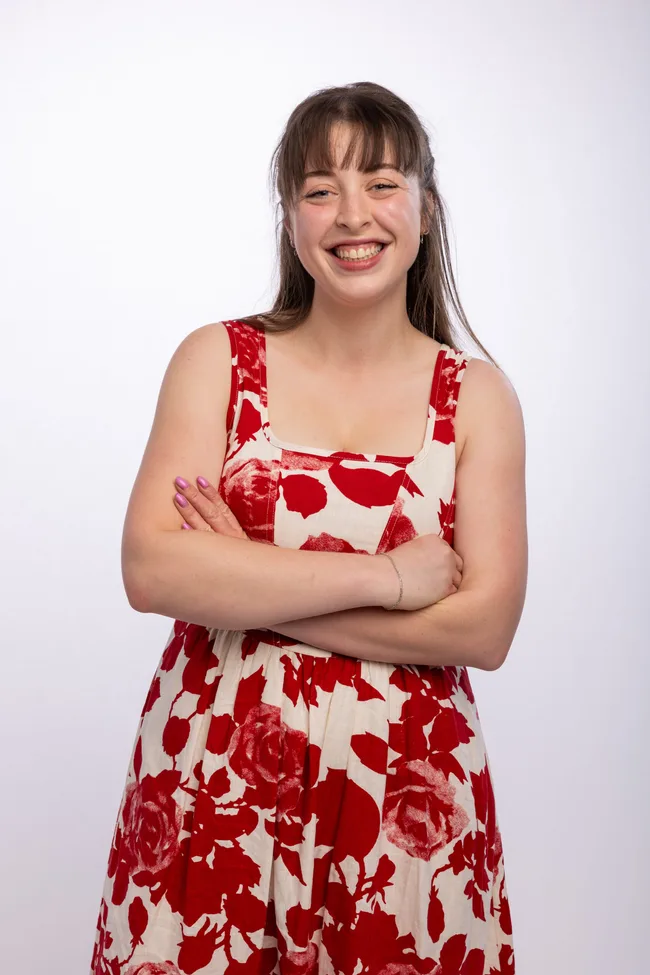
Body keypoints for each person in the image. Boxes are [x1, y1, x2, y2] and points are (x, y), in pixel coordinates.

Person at [91, 81, 527, 975]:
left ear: (426, 210)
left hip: (406, 808)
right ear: (289, 218)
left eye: (382, 183)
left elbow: (484, 629)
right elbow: (151, 569)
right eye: (320, 190)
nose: (352, 214)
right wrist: (389, 578)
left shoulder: (477, 397)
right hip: (213, 787)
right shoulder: (216, 360)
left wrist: (244, 576)